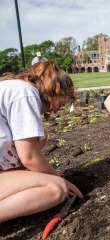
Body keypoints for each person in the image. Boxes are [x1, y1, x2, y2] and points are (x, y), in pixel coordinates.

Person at [0, 61, 83, 223]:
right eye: (64, 101)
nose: (60, 108)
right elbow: (29, 157)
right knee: (56, 189)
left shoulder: (15, 88)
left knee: (41, 135)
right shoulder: (26, 93)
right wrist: (60, 179)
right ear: (57, 91)